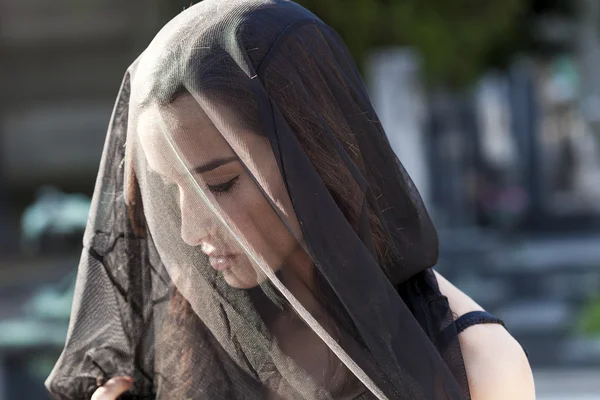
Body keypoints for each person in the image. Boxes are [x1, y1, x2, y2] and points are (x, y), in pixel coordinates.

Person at [47, 1, 534, 399]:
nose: (190, 231)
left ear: (316, 159)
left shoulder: (475, 369)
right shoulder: (181, 345)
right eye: (168, 189)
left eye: (219, 185)